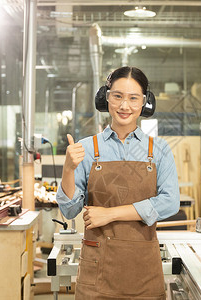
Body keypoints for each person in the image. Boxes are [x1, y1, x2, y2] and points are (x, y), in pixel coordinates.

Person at [56, 66, 180, 299]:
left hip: (143, 269)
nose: (125, 106)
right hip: (98, 268)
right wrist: (68, 170)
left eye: (134, 98)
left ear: (145, 103)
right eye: (118, 96)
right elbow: (69, 209)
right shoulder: (88, 148)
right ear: (106, 98)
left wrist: (110, 214)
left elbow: (170, 203)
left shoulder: (159, 150)